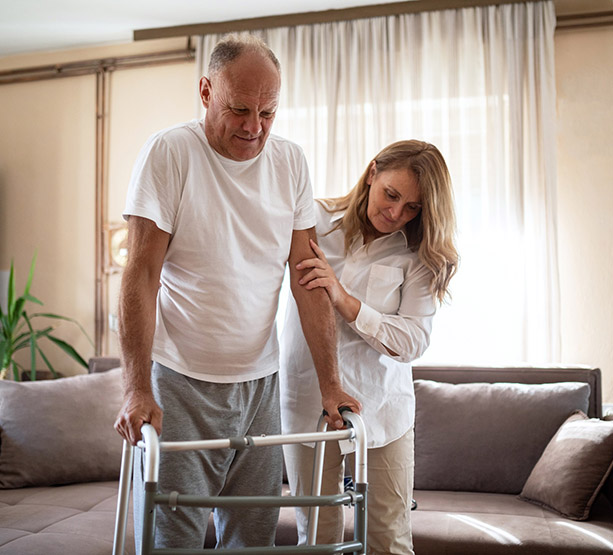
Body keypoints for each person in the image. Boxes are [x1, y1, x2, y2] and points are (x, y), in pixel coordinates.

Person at [113, 33, 360, 550]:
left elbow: (307, 277)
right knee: (170, 539)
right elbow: (140, 274)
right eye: (239, 109)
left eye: (268, 113)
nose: (254, 128)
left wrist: (330, 385)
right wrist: (136, 387)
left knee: (252, 540)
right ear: (205, 92)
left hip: (260, 386)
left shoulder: (289, 162)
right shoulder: (170, 153)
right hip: (179, 384)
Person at [280, 140, 459, 554]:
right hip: (306, 401)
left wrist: (346, 302)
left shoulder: (418, 254)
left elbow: (412, 340)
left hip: (384, 411)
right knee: (317, 542)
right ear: (372, 172)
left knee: (389, 541)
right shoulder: (314, 221)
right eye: (391, 195)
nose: (396, 213)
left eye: (412, 207)